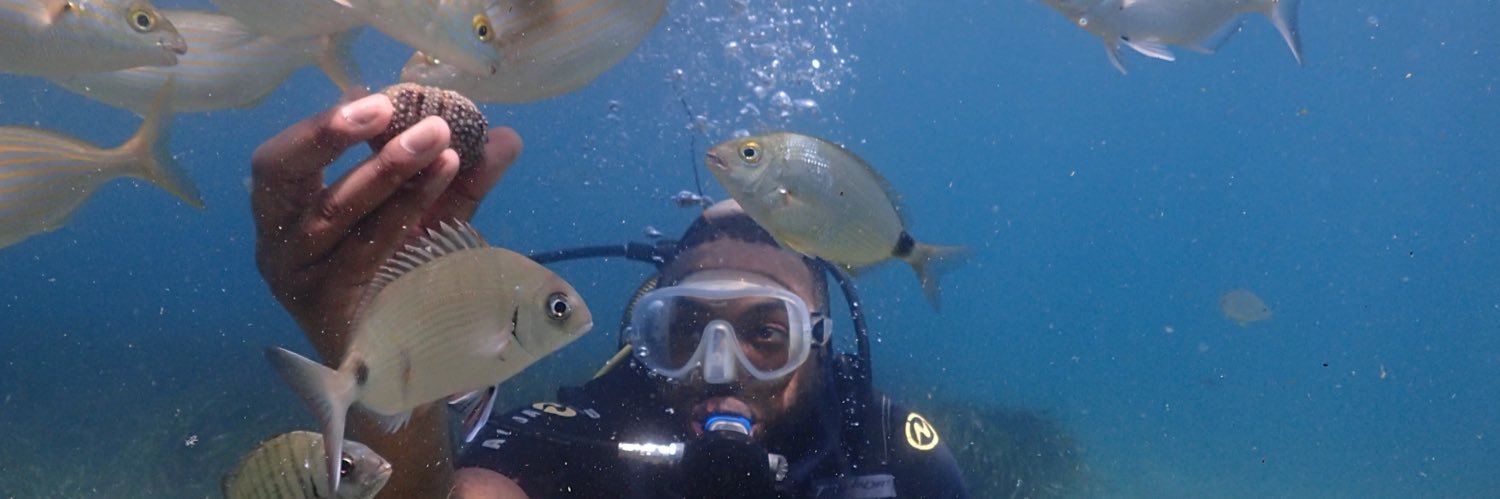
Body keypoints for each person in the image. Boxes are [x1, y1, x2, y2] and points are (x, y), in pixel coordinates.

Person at [252, 93, 968, 498]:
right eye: (684, 326)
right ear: (641, 330)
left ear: (819, 338)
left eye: (767, 331)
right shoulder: (587, 422)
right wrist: (375, 334)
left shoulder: (889, 456)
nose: (721, 365)